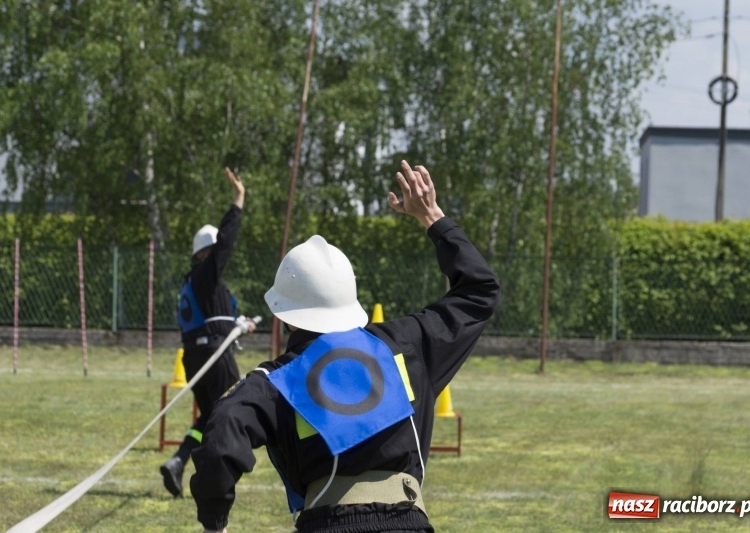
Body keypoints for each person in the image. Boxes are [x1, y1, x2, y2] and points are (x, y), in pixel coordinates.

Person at [190, 160, 500, 532]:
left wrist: (214, 522)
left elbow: (221, 436)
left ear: (284, 315)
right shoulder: (408, 343)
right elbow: (480, 291)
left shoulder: (274, 381)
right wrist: (431, 216)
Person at [160, 167, 258, 498]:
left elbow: (213, 322)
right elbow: (226, 240)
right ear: (206, 252)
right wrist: (238, 200)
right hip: (214, 357)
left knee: (210, 416)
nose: (221, 255)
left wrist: (241, 325)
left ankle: (179, 460)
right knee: (234, 409)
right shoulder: (206, 273)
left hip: (196, 358)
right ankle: (216, 474)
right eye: (215, 250)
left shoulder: (196, 283)